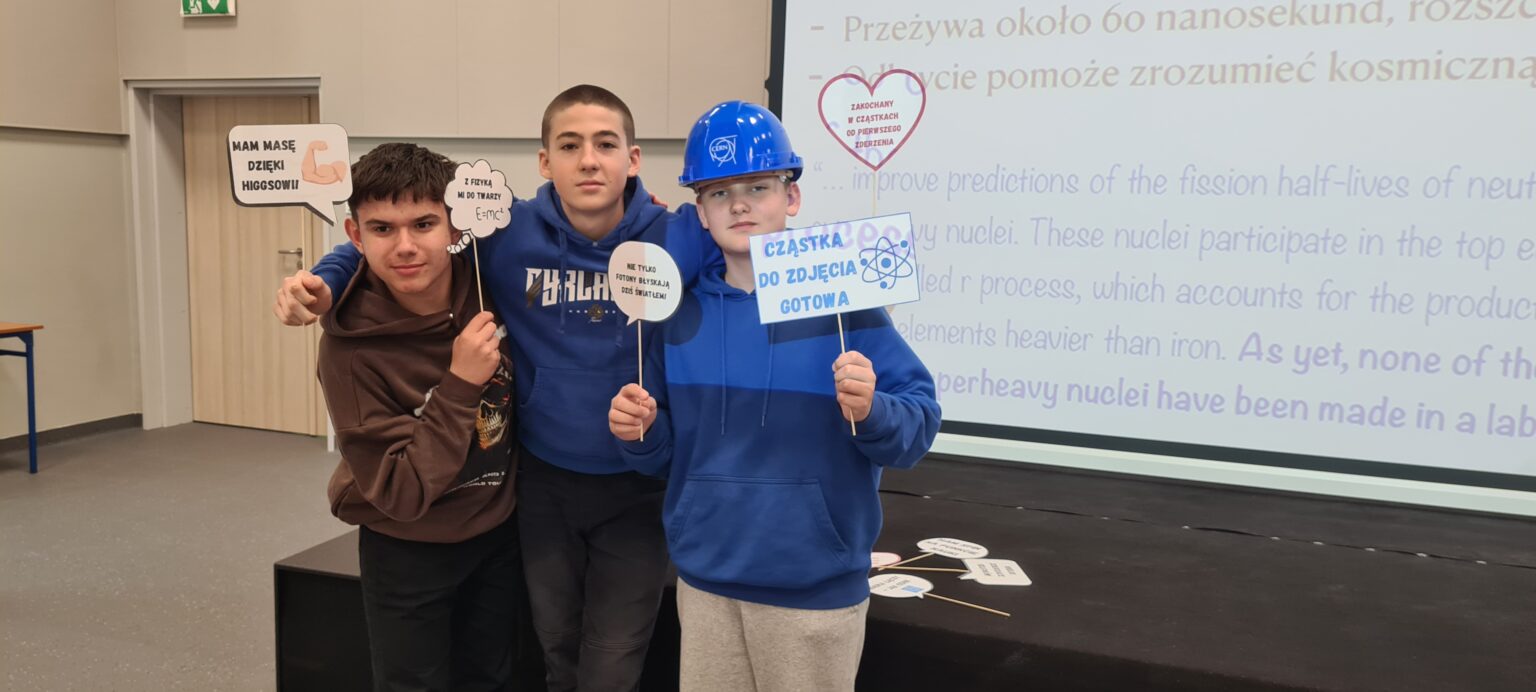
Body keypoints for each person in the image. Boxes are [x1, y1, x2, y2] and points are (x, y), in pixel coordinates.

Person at [275, 85, 717, 692]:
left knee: (604, 660)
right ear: (544, 161)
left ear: (633, 159)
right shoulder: (505, 232)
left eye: (605, 145)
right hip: (534, 486)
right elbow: (392, 236)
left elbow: (747, 240)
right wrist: (328, 276)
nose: (589, 160)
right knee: (548, 646)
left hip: (621, 488)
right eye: (570, 145)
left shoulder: (675, 236)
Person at [607, 101, 942, 692]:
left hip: (813, 590)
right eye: (719, 192)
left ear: (792, 197)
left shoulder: (847, 305)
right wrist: (640, 431)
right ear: (700, 211)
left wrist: (873, 410)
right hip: (705, 582)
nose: (739, 204)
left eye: (758, 187)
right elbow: (661, 456)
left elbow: (917, 428)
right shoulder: (677, 316)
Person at [317, 142, 522, 691]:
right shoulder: (349, 352)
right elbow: (402, 493)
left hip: (498, 532)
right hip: (407, 549)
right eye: (382, 229)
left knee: (492, 678)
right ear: (355, 235)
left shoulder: (486, 280)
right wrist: (460, 383)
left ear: (454, 224)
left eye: (424, 224)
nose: (405, 246)